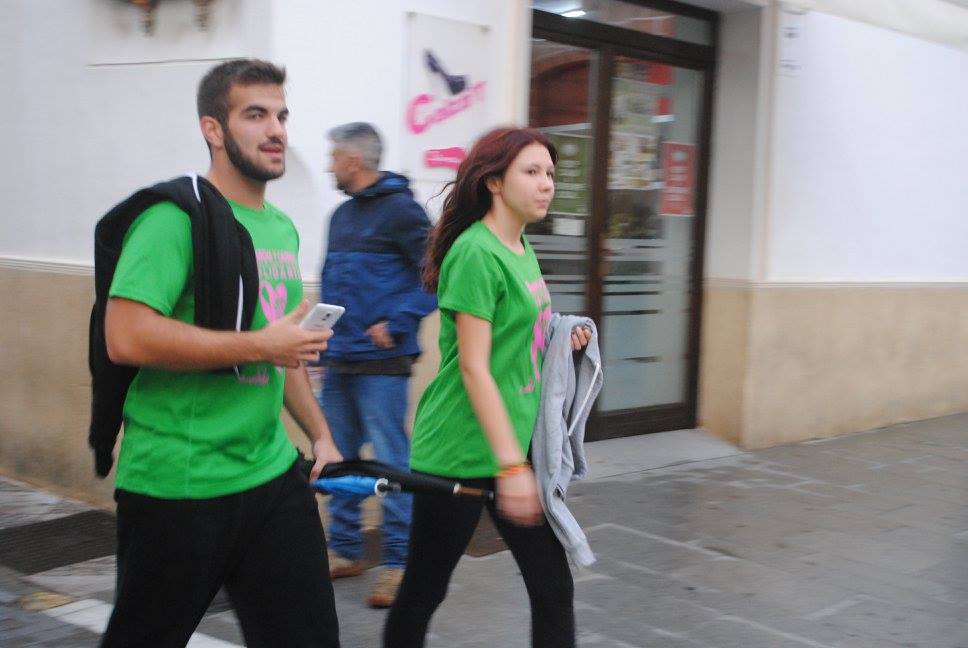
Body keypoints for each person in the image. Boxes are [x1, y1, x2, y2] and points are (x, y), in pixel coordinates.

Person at [97, 59, 342, 647]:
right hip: (180, 484)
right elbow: (125, 335)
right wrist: (261, 344)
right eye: (255, 115)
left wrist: (321, 435)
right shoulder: (171, 219)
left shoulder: (280, 228)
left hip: (270, 474)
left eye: (281, 115)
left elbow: (281, 350)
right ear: (213, 129)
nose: (276, 130)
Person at [383, 127, 591, 648]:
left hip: (507, 447)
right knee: (425, 589)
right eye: (532, 171)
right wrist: (512, 467)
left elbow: (516, 334)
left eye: (550, 173)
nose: (546, 184)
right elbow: (474, 367)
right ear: (494, 181)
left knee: (552, 586)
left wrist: (561, 336)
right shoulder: (476, 252)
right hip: (459, 450)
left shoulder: (519, 246)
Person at [318, 122, 437, 608]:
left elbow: (438, 273)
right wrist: (318, 345)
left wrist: (400, 320)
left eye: (333, 157)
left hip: (384, 364)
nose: (329, 165)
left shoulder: (403, 211)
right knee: (339, 463)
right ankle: (346, 550)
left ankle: (399, 563)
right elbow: (333, 286)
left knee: (389, 465)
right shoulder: (340, 216)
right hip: (339, 361)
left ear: (354, 159)